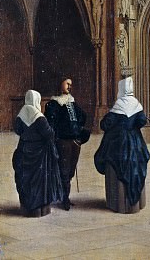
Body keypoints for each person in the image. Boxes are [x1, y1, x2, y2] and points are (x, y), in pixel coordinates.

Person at [94, 76, 150, 213]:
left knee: (117, 166)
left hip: (118, 143)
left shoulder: (118, 105)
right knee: (135, 167)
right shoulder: (136, 104)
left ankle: (119, 204)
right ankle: (135, 204)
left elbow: (105, 124)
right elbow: (142, 120)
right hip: (135, 143)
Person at [12, 90, 63, 216]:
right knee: (40, 182)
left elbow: (18, 130)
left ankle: (28, 209)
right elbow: (49, 134)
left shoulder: (21, 115)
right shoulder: (39, 117)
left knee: (26, 179)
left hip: (24, 150)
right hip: (39, 154)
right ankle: (39, 210)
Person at [45, 78, 90, 210]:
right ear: (59, 84)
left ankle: (66, 196)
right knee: (64, 170)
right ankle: (64, 198)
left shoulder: (72, 102)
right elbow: (51, 123)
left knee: (70, 170)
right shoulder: (53, 104)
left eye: (71, 84)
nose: (70, 86)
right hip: (62, 141)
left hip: (75, 141)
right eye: (67, 83)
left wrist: (77, 129)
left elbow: (83, 116)